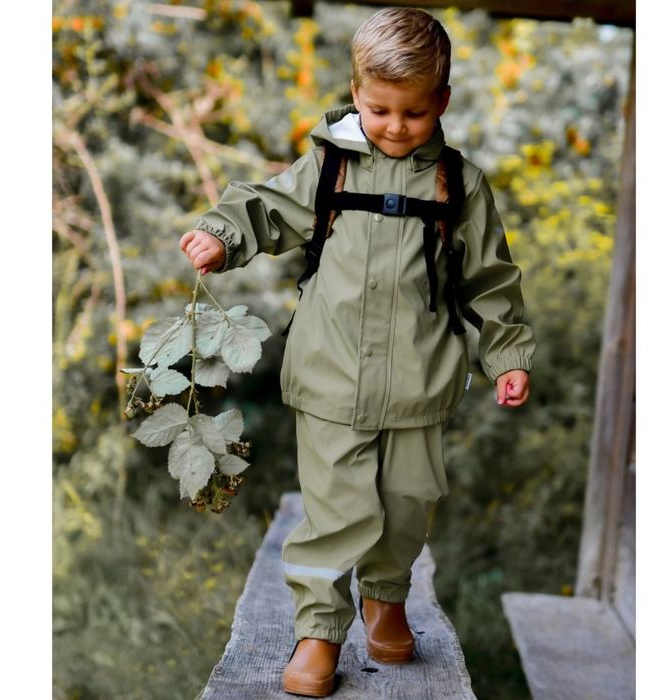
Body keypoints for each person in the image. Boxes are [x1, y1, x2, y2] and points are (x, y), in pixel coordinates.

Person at [180, 7, 535, 697]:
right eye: (379, 110)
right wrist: (222, 234)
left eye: (414, 113)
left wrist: (508, 354)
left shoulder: (459, 185)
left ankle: (386, 599)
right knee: (336, 510)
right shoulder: (330, 165)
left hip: (419, 379)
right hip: (330, 374)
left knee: (407, 504)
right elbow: (267, 206)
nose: (396, 126)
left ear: (442, 101)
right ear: (355, 93)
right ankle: (318, 631)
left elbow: (491, 280)